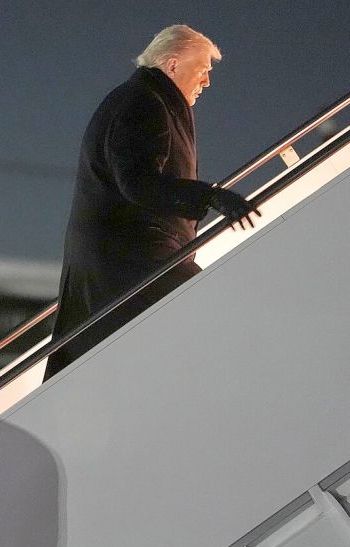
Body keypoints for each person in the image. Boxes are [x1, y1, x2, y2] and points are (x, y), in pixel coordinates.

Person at [45, 25, 261, 381]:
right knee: (218, 323)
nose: (206, 81)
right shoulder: (142, 103)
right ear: (173, 64)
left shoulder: (144, 99)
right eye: (203, 69)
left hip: (125, 263)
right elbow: (139, 183)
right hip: (132, 263)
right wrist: (211, 196)